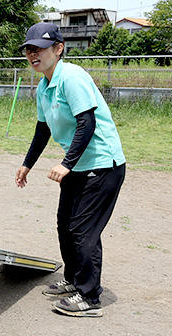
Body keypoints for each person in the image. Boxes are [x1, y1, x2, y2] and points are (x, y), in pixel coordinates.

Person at [14, 23, 126, 318]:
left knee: (83, 230)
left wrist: (66, 163)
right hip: (79, 165)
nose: (32, 53)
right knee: (65, 224)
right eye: (29, 48)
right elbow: (43, 130)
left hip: (103, 165)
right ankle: (74, 280)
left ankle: (89, 297)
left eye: (39, 47)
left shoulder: (72, 77)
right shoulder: (44, 86)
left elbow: (87, 123)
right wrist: (27, 164)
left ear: (59, 48)